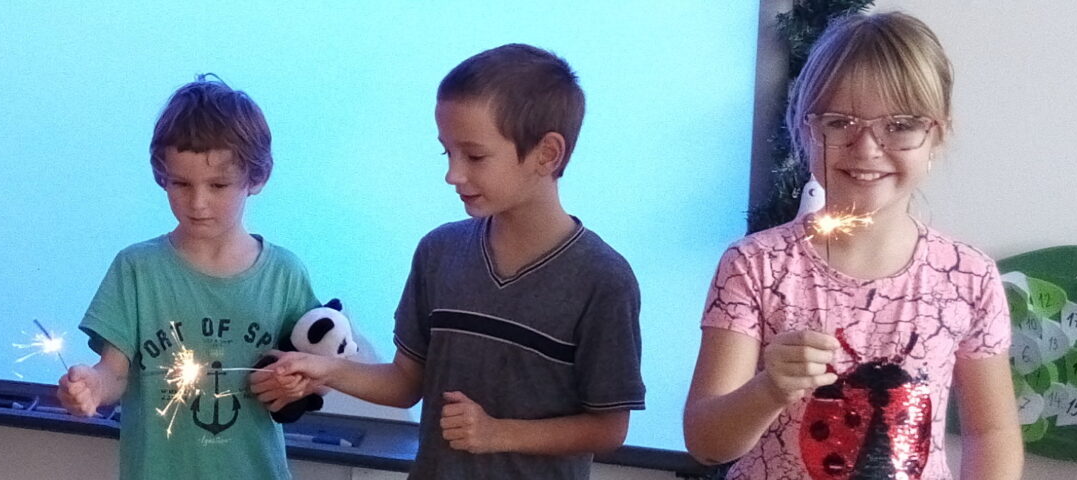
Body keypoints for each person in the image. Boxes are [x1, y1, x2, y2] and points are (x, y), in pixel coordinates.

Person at [251, 43, 645, 479]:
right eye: (448, 153)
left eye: (474, 156)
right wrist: (325, 369)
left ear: (547, 153)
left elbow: (609, 428)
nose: (453, 174)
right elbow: (406, 383)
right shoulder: (439, 252)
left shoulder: (602, 279)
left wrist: (499, 433)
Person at [683, 12, 1022, 480]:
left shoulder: (969, 277)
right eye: (839, 122)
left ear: (937, 135)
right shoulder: (755, 266)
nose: (866, 148)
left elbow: (991, 433)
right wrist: (768, 389)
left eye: (900, 125)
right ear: (805, 128)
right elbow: (706, 443)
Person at [57, 76, 319, 480]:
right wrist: (91, 385)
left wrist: (298, 386)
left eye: (218, 185)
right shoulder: (136, 269)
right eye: (180, 184)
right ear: (161, 175)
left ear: (257, 178)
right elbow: (114, 373)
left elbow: (319, 374)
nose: (198, 203)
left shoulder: (285, 274)